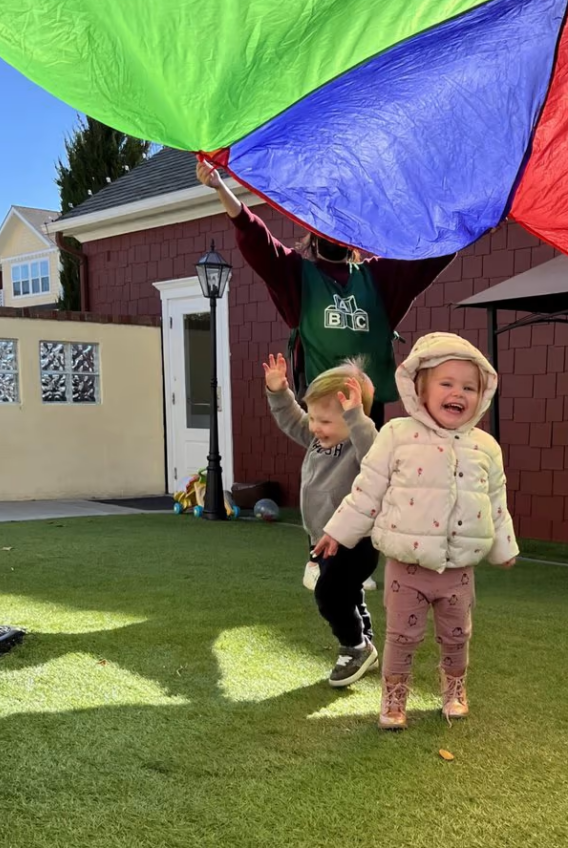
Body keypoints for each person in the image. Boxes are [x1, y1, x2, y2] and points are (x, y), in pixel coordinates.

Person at [314, 332, 519, 729]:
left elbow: (496, 502)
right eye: (446, 383)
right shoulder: (396, 435)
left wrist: (504, 547)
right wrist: (338, 532)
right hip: (406, 568)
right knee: (401, 637)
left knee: (457, 636)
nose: (458, 393)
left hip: (459, 569)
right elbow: (367, 490)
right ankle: (394, 697)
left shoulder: (486, 447)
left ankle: (454, 688)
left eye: (469, 387)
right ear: (420, 387)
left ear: (482, 395)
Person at [195, 161, 455, 427]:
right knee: (328, 467)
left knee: (368, 466)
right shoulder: (297, 277)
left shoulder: (379, 278)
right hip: (323, 411)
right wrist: (220, 187)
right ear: (314, 234)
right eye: (328, 227)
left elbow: (429, 257)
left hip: (369, 412)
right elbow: (257, 238)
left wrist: (474, 225)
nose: (335, 236)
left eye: (343, 229)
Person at [263, 352, 380, 688]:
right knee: (348, 591)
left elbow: (372, 448)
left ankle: (354, 646)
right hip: (320, 536)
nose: (316, 427)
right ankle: (365, 637)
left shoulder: (360, 447)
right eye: (314, 418)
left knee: (329, 594)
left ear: (354, 418)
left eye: (326, 421)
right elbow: (292, 419)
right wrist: (278, 390)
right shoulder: (317, 440)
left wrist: (357, 418)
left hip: (355, 540)